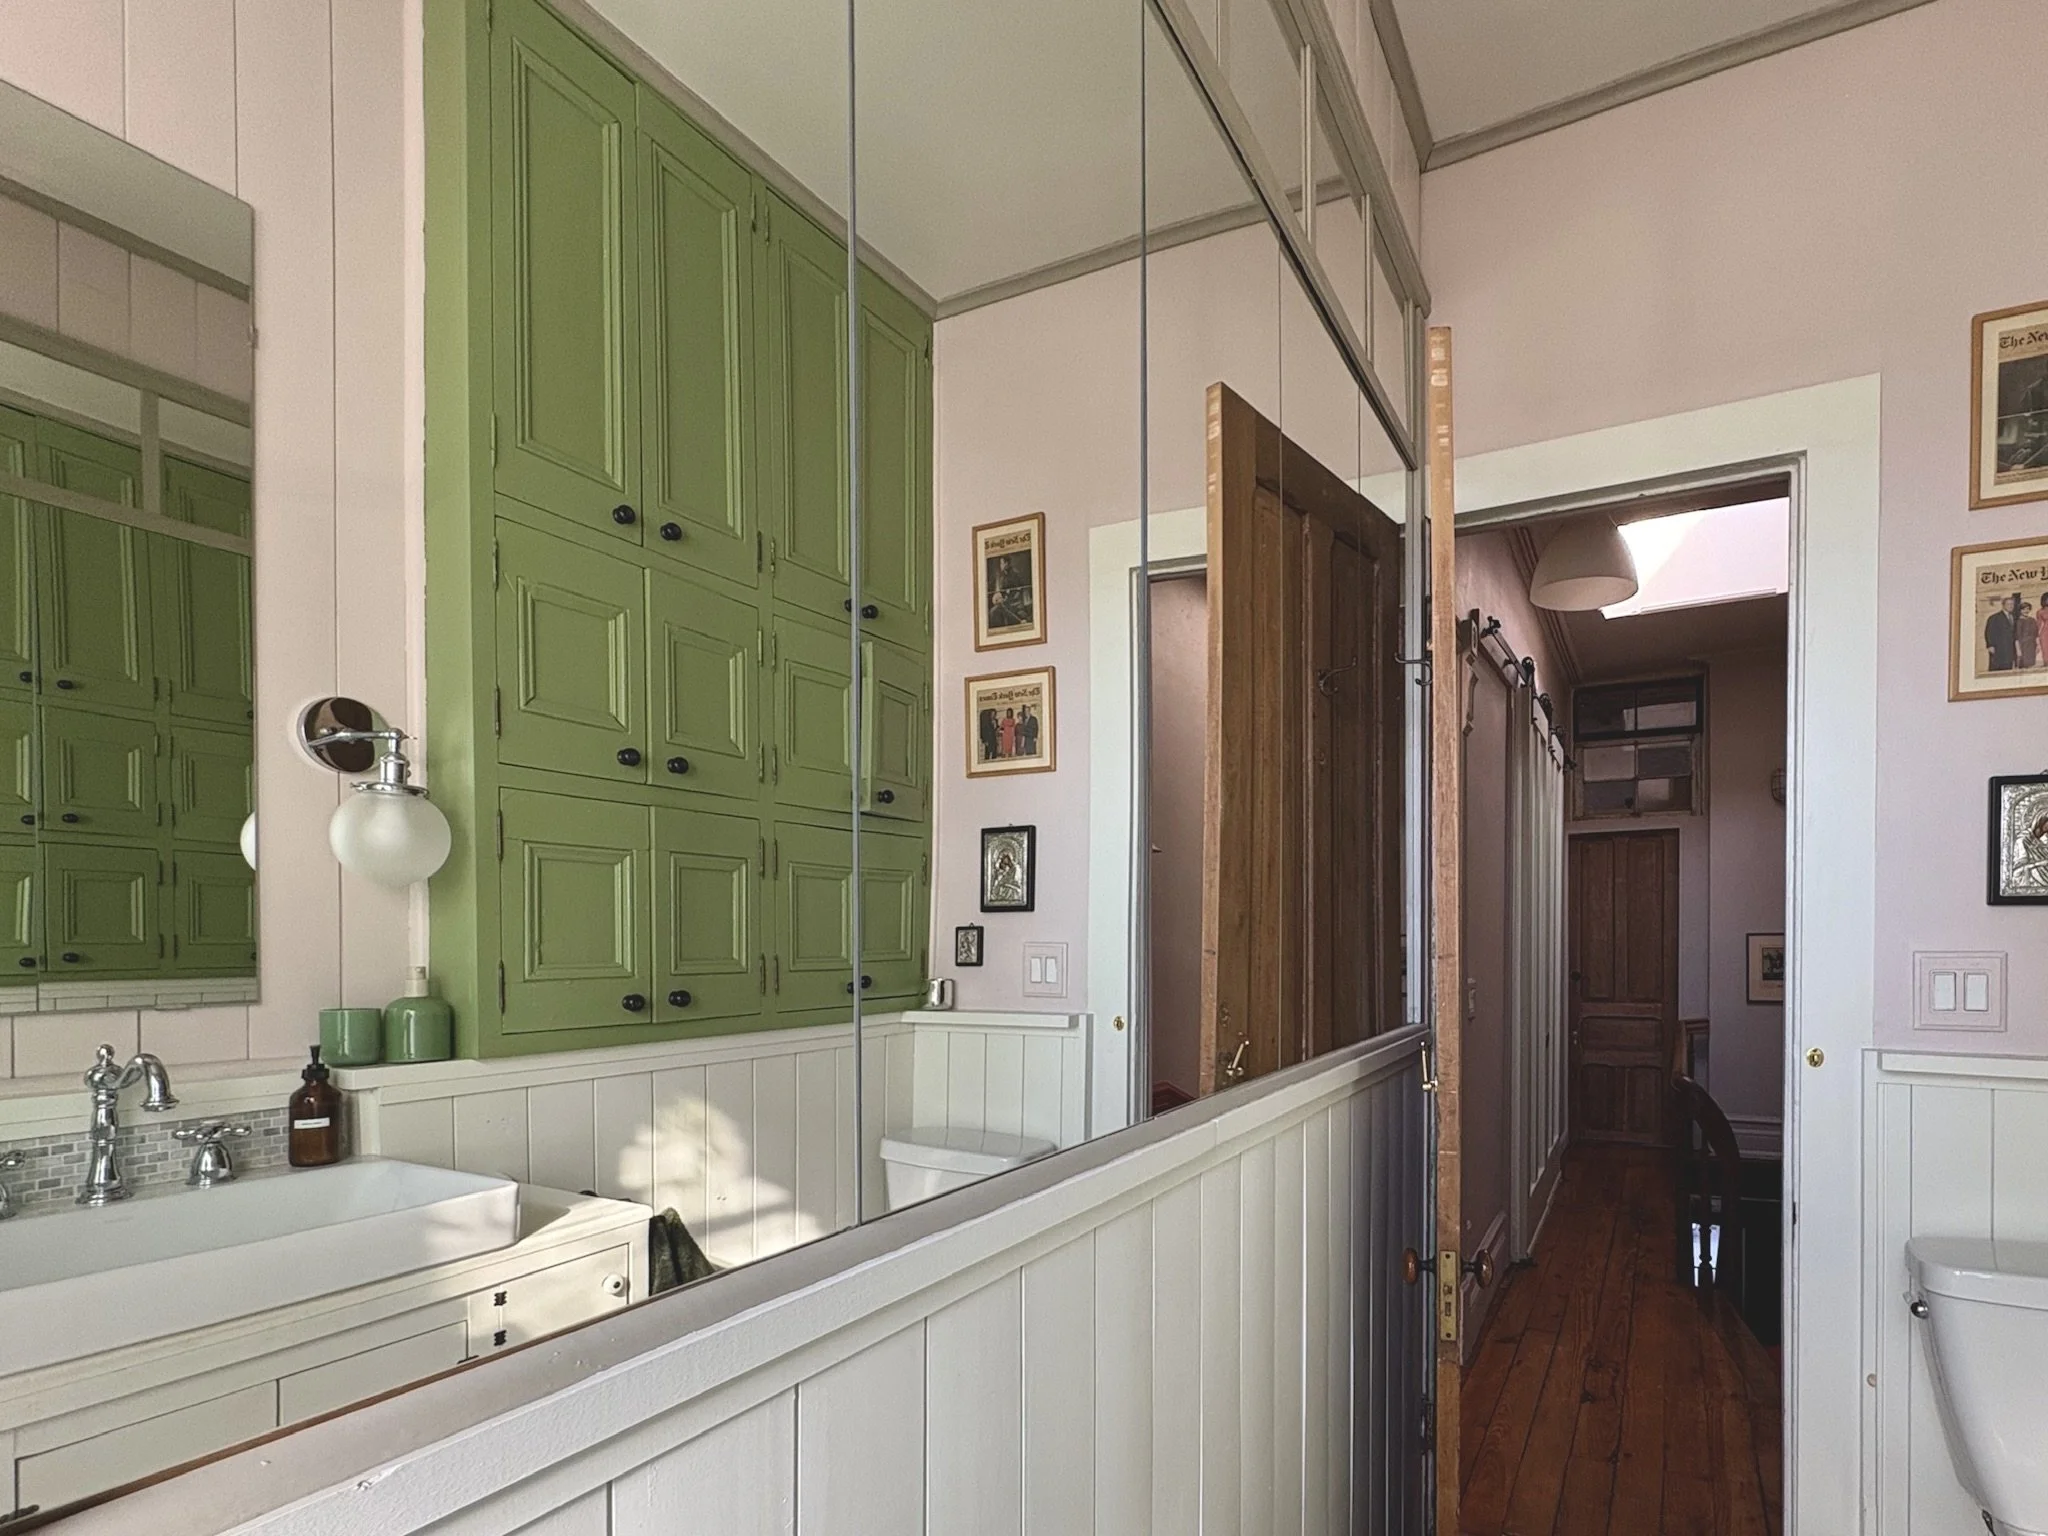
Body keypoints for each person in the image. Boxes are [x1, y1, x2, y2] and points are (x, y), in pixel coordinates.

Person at [1987, 593, 2022, 672]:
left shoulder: (2013, 617)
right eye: (2008, 604)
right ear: (2003, 605)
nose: (2011, 606)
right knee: (1997, 668)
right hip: (1999, 648)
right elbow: (1989, 631)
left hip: (2009, 648)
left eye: (2012, 604)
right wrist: (1990, 645)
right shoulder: (1994, 617)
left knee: (2008, 667)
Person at [2021, 600, 2042, 670]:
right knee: (2024, 664)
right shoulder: (2018, 621)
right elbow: (2017, 637)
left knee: (2032, 663)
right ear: (2020, 610)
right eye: (2023, 609)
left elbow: (2036, 633)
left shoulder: (2032, 620)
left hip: (2032, 644)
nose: (2026, 611)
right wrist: (2018, 649)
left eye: (2027, 609)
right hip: (2023, 645)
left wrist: (2038, 644)